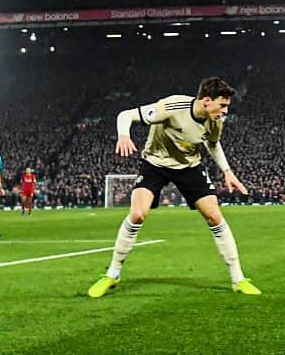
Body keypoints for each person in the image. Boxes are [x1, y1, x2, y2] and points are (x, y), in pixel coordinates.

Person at [87, 76, 261, 298]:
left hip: (189, 166)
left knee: (215, 217)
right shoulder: (172, 106)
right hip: (155, 163)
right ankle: (112, 274)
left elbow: (213, 144)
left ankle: (238, 279)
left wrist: (227, 171)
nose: (225, 110)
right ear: (206, 100)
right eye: (222, 105)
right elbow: (126, 115)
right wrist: (123, 135)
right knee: (138, 214)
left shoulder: (215, 120)